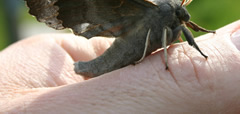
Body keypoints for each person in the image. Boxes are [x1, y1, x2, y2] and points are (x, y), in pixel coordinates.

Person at [0, 20, 240, 113]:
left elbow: (185, 24)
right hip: (111, 58)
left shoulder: (173, 21)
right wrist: (174, 64)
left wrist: (206, 33)